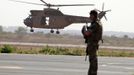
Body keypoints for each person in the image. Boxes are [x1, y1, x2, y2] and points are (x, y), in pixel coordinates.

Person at [81, 10, 103, 75]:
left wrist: (84, 29)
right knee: (92, 62)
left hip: (92, 46)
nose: (89, 17)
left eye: (91, 15)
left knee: (93, 63)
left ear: (93, 16)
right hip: (93, 45)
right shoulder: (97, 23)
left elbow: (87, 33)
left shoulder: (95, 24)